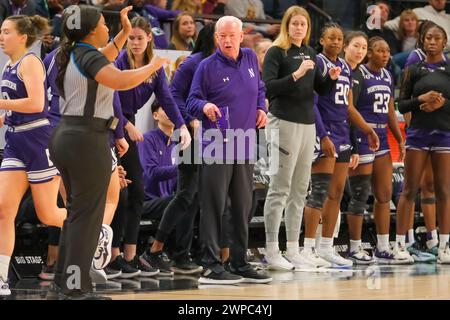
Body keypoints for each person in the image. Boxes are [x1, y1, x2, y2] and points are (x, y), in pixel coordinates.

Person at [49, 5, 187, 299]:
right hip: (87, 139)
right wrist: (154, 66)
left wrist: (125, 31)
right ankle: (75, 290)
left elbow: (108, 54)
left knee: (76, 217)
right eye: (103, 23)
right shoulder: (88, 55)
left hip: (69, 137)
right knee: (87, 219)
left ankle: (61, 286)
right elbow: (120, 80)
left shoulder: (76, 53)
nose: (107, 29)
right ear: (89, 30)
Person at [187, 16, 271, 285]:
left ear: (241, 35)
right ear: (216, 38)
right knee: (213, 205)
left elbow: (259, 87)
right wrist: (204, 107)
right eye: (221, 36)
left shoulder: (248, 57)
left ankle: (239, 262)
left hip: (244, 143)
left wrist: (262, 108)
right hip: (216, 144)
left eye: (231, 35)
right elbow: (191, 100)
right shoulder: (205, 66)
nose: (226, 40)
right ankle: (211, 265)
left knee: (243, 206)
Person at [108, 16, 190, 278]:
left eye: (139, 38)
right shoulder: (120, 61)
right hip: (110, 124)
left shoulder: (154, 68)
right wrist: (126, 126)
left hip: (128, 124)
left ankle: (131, 257)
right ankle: (113, 256)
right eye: (130, 37)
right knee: (119, 193)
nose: (134, 42)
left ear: (149, 38)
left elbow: (166, 98)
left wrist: (183, 126)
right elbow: (111, 97)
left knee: (137, 191)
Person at [261, 6, 339, 271]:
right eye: (294, 23)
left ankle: (293, 249)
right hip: (282, 122)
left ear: (308, 29)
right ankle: (272, 251)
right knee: (279, 188)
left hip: (307, 126)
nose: (298, 28)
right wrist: (295, 74)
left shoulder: (310, 54)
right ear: (286, 25)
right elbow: (268, 87)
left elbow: (320, 88)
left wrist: (330, 79)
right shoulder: (276, 52)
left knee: (299, 189)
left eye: (303, 25)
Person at [301, 24, 380, 268]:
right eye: (331, 38)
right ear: (322, 39)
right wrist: (323, 135)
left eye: (338, 38)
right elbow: (311, 102)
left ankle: (326, 248)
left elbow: (348, 106)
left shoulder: (346, 67)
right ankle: (307, 248)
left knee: (336, 194)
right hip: (324, 133)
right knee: (319, 192)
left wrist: (367, 130)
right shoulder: (318, 62)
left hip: (343, 133)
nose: (335, 42)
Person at [0, 14, 67, 297]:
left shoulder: (30, 62)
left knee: (48, 213)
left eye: (6, 32)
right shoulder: (8, 65)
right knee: (3, 210)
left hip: (38, 139)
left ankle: (92, 228)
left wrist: (1, 103)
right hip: (15, 139)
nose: (1, 36)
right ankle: (2, 277)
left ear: (23, 37)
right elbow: (14, 107)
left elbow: (37, 103)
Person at [345, 36, 409, 265]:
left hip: (381, 138)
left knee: (384, 196)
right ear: (369, 53)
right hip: (363, 137)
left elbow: (391, 110)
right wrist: (365, 131)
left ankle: (382, 247)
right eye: (380, 51)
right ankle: (354, 247)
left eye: (388, 51)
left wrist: (399, 138)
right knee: (360, 196)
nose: (386, 55)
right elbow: (349, 108)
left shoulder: (387, 75)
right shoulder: (359, 75)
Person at [396, 24, 450, 264]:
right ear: (422, 41)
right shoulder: (413, 68)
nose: (432, 41)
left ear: (444, 42)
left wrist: (441, 103)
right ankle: (399, 246)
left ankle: (445, 247)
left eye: (437, 38)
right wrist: (421, 100)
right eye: (428, 37)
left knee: (444, 191)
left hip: (444, 135)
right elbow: (401, 104)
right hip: (418, 134)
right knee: (409, 189)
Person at [138, 100, 202, 275]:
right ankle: (172, 254)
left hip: (168, 199)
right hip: (147, 201)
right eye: (165, 109)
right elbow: (151, 173)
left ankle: (186, 254)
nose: (171, 112)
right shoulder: (147, 139)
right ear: (155, 115)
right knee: (179, 201)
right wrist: (182, 168)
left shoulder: (179, 143)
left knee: (191, 198)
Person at [384, 0, 450, 51]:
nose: (440, 1)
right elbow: (392, 24)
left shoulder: (448, 18)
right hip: (426, 51)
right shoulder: (419, 12)